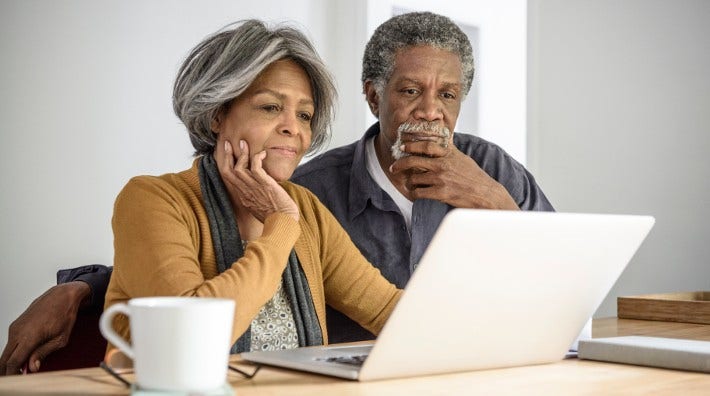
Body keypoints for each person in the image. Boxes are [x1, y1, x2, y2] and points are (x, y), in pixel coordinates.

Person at [1, 11, 552, 375]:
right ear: (218, 113)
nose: (295, 128)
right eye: (271, 108)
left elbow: (395, 314)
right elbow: (194, 338)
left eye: (305, 115)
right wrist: (280, 224)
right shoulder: (157, 199)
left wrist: (504, 356)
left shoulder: (306, 211)